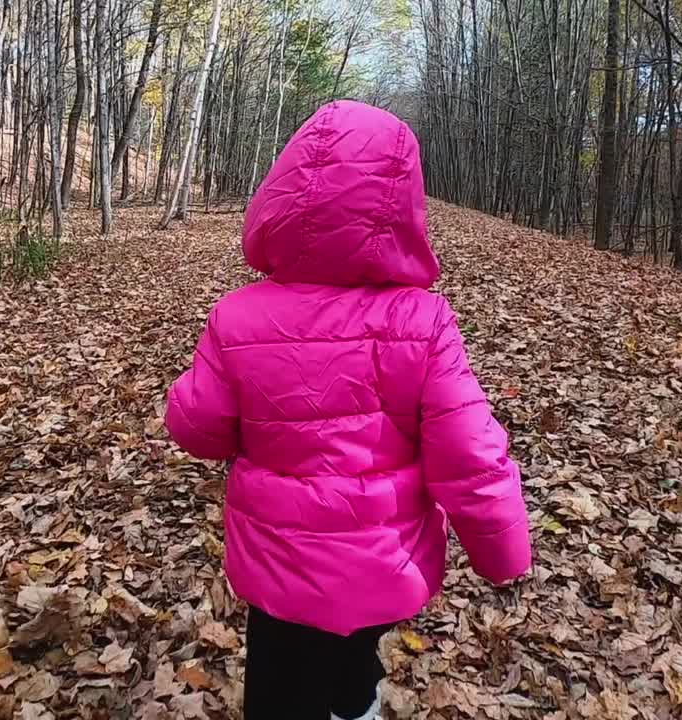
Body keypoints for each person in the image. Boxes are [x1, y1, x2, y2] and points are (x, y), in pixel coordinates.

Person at [165, 100, 531, 720]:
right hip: (380, 558)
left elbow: (197, 428)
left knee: (280, 680)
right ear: (402, 208)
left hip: (279, 561)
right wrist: (504, 552)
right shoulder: (425, 321)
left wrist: (190, 398)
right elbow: (470, 453)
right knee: (355, 664)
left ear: (281, 194)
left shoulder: (240, 316)